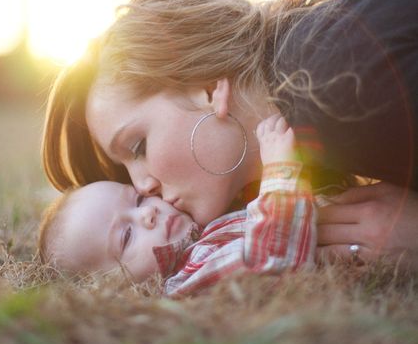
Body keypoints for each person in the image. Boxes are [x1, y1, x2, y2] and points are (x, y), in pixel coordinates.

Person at [42, 0, 418, 270]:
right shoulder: (313, 109)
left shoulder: (339, 86)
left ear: (207, 90)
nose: (143, 187)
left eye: (137, 146)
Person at [39, 115, 316, 296]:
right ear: (112, 289)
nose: (147, 213)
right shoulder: (191, 274)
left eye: (137, 200)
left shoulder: (204, 232)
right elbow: (269, 261)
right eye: (126, 235)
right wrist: (280, 170)